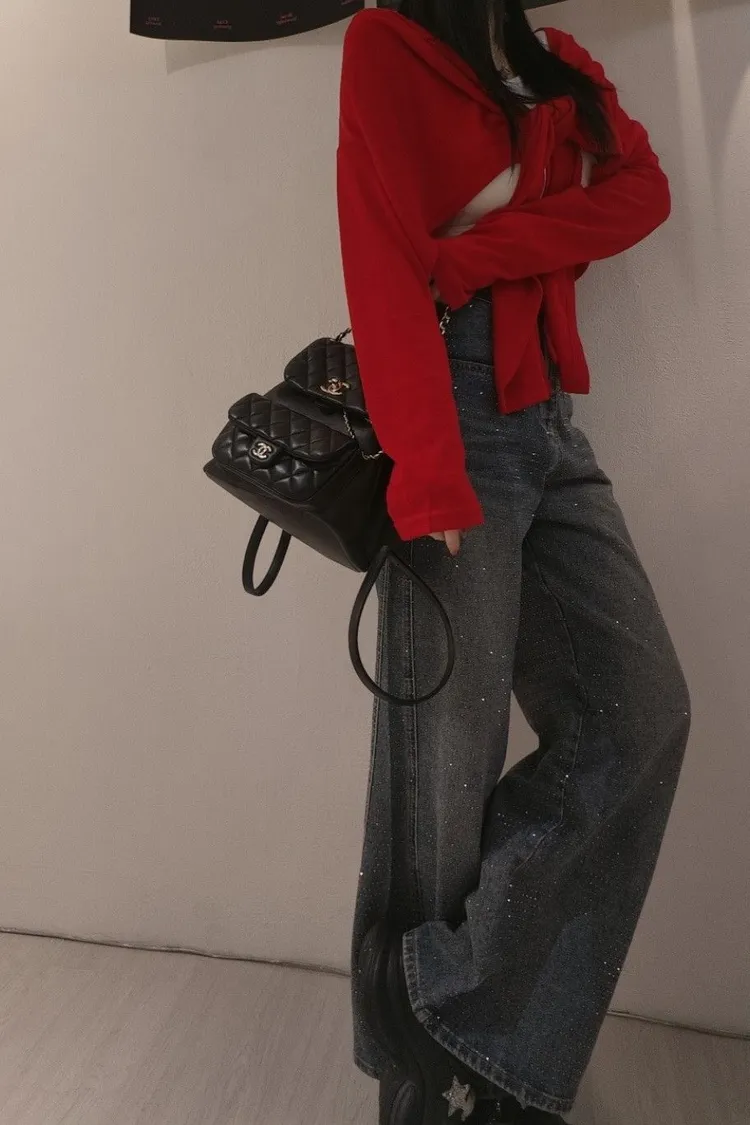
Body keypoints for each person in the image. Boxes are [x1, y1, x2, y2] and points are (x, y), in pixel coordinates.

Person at [336, 3, 691, 1123]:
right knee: (441, 773)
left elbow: (643, 193)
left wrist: (481, 252)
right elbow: (380, 252)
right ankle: (428, 1096)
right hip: (451, 419)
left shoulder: (558, 61)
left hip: (546, 417)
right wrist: (426, 468)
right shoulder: (387, 43)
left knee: (639, 714)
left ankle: (438, 1003)